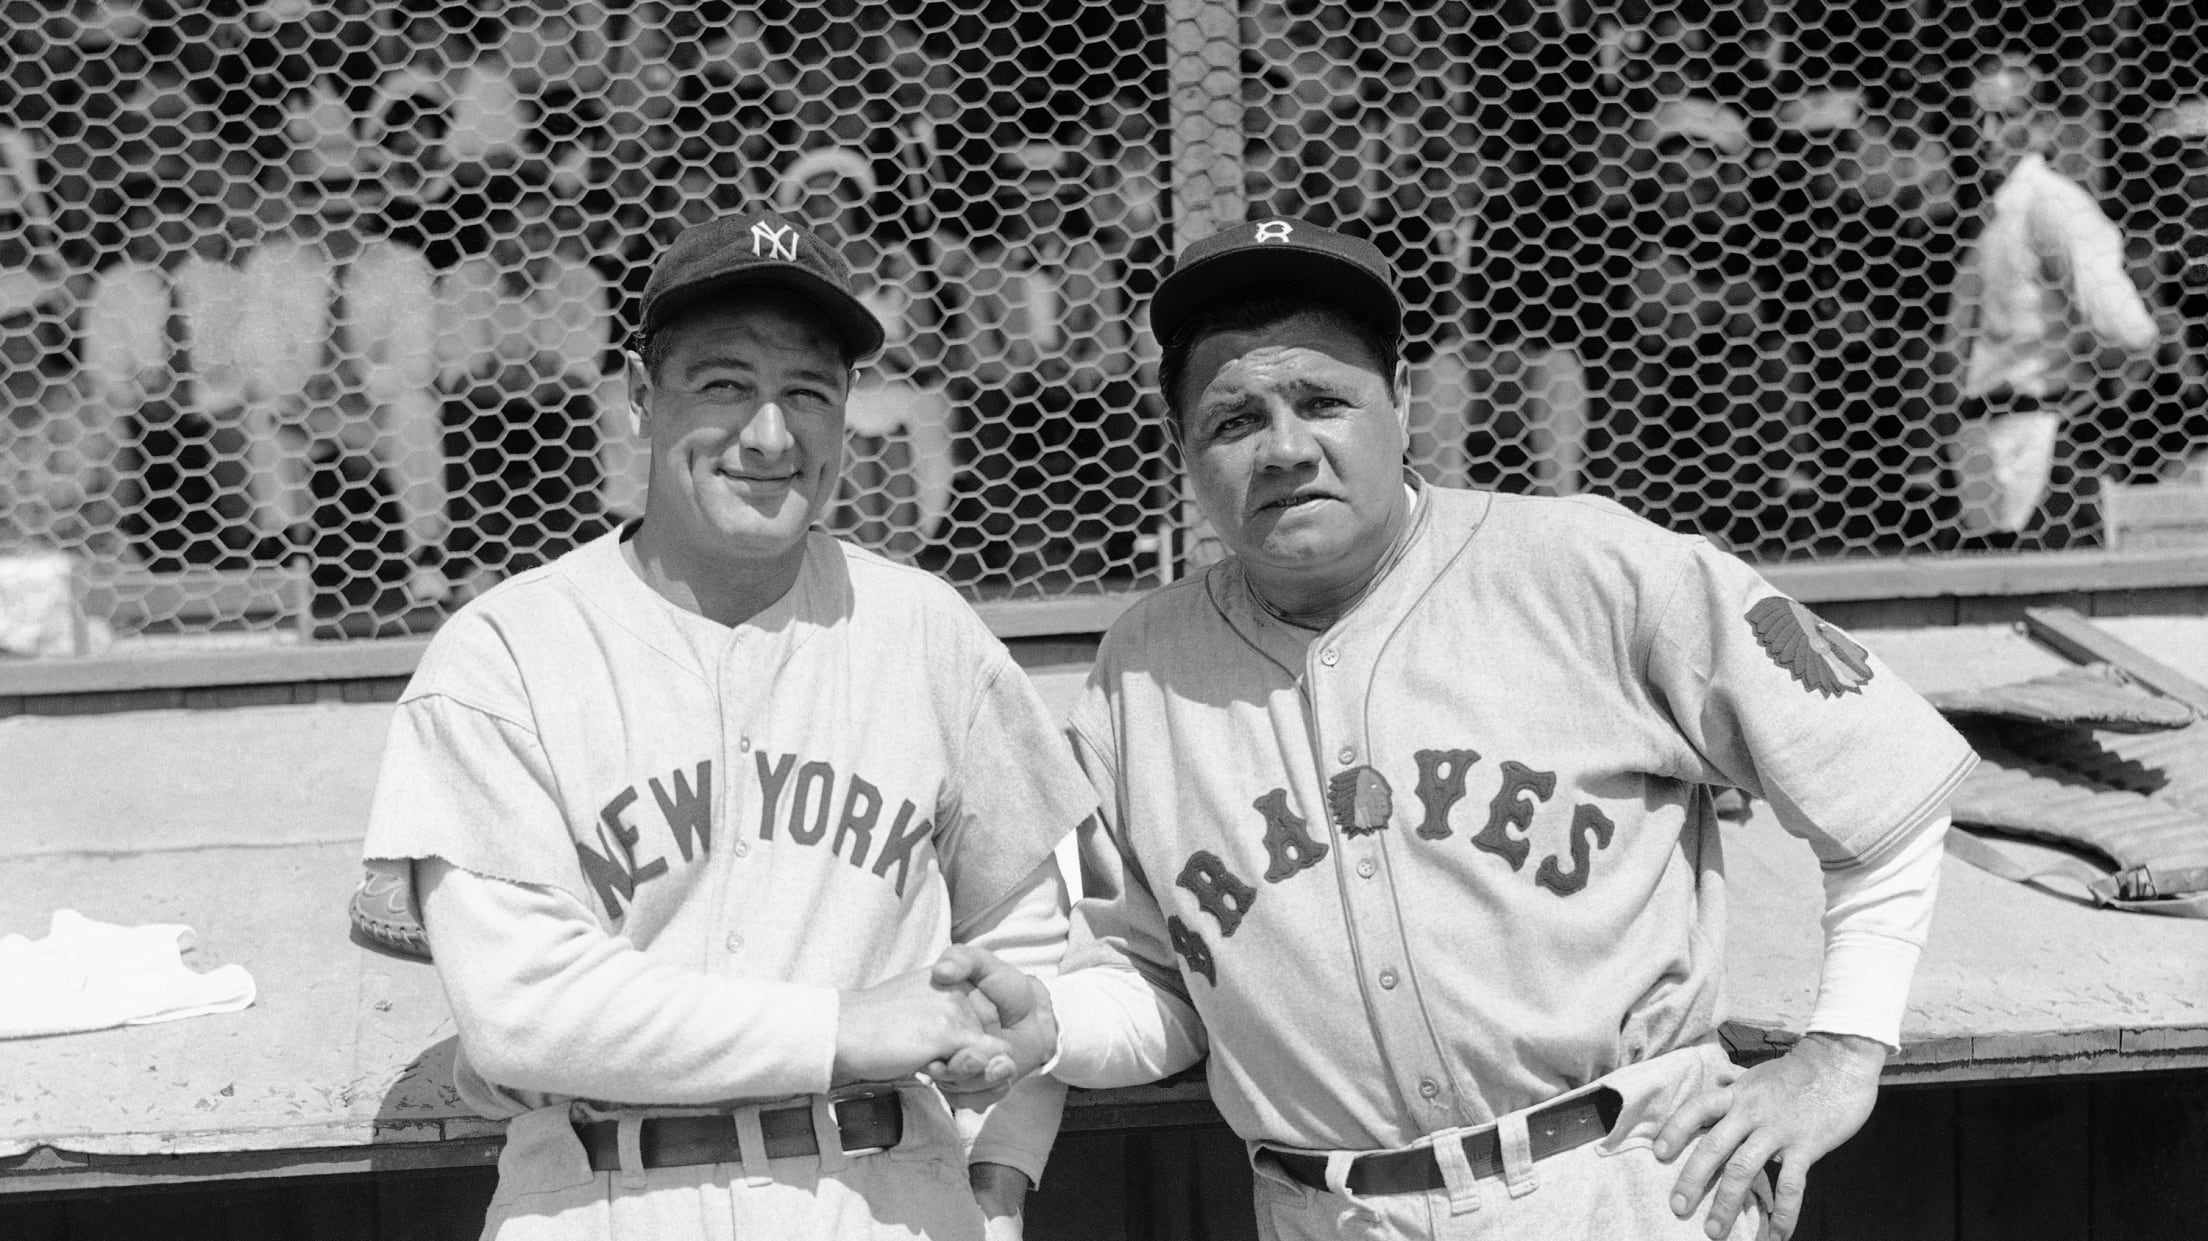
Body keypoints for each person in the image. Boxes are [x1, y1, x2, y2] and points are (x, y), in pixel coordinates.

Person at [931, 218, 1978, 1241]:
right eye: (1235, 420)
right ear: (1187, 454)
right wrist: (1056, 1025)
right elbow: (1157, 990)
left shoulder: (1591, 570)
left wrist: (1843, 1052)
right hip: (1329, 1210)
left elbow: (1883, 787)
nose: (1286, 448)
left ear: (1399, 404)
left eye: (1323, 400)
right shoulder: (1140, 671)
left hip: (1624, 1188)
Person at [359, 207, 1093, 1241]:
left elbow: (1035, 931)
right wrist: (840, 1027)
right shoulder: (503, 655)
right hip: (606, 1195)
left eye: (808, 391)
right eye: (723, 385)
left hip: (887, 1193)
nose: (769, 433)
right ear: (637, 399)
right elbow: (523, 1004)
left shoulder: (927, 629)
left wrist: (1004, 1167)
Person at [1944, 54, 2160, 548]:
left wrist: (2095, 412)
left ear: (2041, 126)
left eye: (2004, 116)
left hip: (2042, 447)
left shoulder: (2053, 204)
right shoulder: (1994, 213)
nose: (1985, 132)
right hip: (1987, 451)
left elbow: (2128, 331)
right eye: (1975, 117)